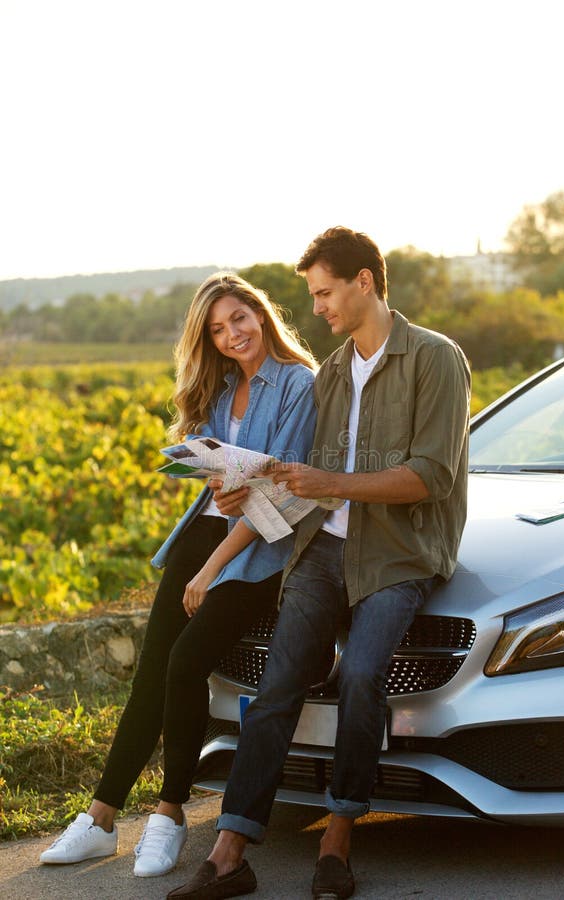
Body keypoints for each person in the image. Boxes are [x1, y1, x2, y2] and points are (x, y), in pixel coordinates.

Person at [167, 227, 471, 900]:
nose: (318, 309)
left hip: (399, 552)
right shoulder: (332, 371)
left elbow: (432, 477)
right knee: (278, 685)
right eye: (314, 295)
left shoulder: (436, 360)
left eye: (325, 293)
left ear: (365, 282)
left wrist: (329, 483)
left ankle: (338, 834)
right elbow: (304, 477)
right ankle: (229, 850)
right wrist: (247, 481)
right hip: (322, 546)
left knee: (362, 675)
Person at [39, 272, 318, 877]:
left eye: (238, 319)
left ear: (261, 314)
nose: (231, 335)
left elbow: (275, 493)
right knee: (152, 674)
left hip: (259, 549)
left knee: (187, 663)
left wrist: (211, 570)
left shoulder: (301, 384)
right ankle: (101, 817)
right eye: (217, 329)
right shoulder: (221, 389)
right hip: (203, 533)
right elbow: (225, 482)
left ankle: (168, 814)